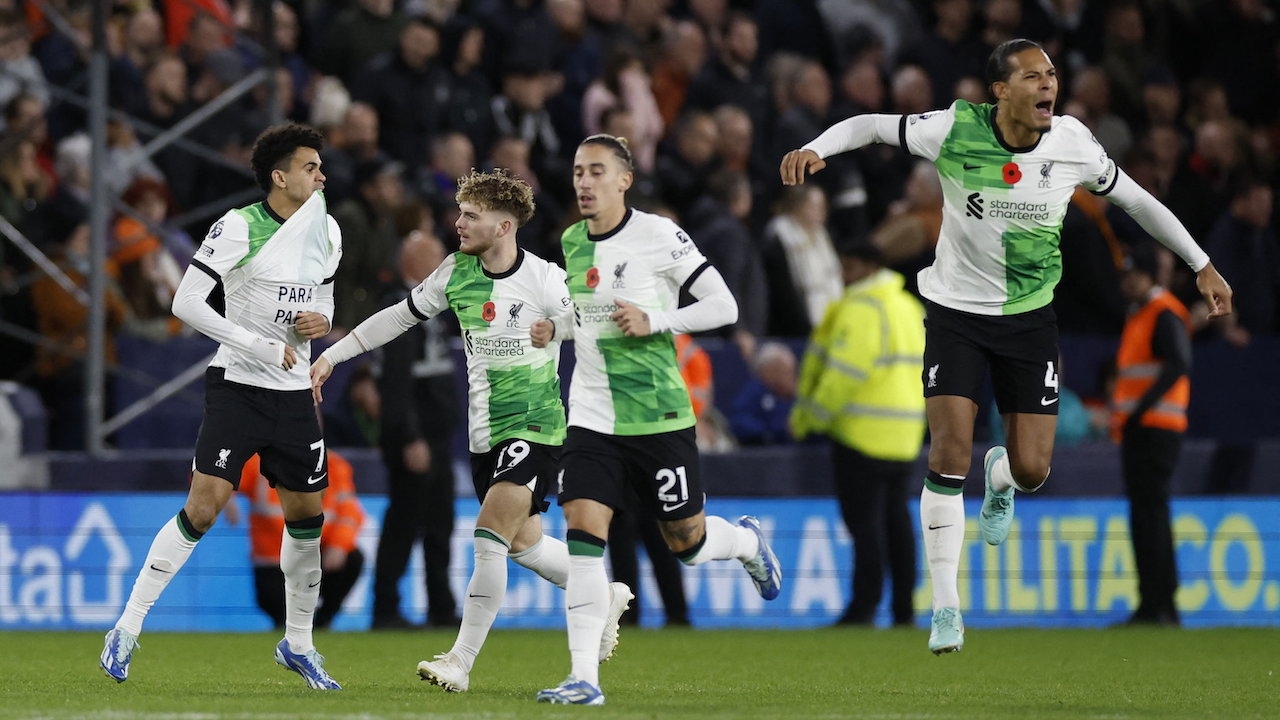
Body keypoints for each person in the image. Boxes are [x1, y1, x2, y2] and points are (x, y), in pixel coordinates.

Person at [780, 38, 1233, 655]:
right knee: (947, 453)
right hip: (955, 314)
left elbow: (1137, 202)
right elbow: (870, 125)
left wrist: (1201, 263)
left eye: (1051, 74)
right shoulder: (953, 128)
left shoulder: (1073, 144)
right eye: (1033, 76)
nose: (1048, 84)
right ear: (1000, 91)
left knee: (1031, 470)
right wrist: (816, 147)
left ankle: (1000, 475)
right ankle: (946, 607)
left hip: (1029, 321)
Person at [310, 169, 633, 693]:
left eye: (470, 215)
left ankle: (460, 661)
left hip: (535, 426)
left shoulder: (545, 279)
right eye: (459, 212)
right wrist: (334, 356)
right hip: (484, 435)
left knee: (489, 536)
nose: (457, 223)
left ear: (503, 227)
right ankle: (601, 591)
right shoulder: (456, 273)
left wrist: (566, 329)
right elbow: (397, 317)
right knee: (523, 544)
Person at [535, 134, 782, 706]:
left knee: (686, 542)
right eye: (578, 171)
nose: (584, 182)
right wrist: (558, 328)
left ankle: (746, 543)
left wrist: (657, 319)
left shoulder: (659, 235)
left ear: (625, 180)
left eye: (597, 171)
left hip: (658, 416)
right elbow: (589, 315)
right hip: (592, 416)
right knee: (582, 535)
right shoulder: (572, 241)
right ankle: (583, 678)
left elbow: (725, 306)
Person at [100, 123, 343, 689]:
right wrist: (257, 345)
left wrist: (322, 320)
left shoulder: (327, 229)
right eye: (310, 167)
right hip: (239, 387)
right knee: (204, 508)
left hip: (294, 394)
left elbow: (325, 297)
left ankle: (299, 644)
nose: (321, 176)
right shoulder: (239, 226)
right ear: (279, 177)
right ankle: (127, 628)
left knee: (307, 519)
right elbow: (185, 302)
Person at [790, 242, 925, 627]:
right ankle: (904, 609)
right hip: (905, 434)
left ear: (867, 267)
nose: (843, 277)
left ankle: (864, 607)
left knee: (866, 526)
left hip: (860, 434)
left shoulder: (861, 309)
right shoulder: (910, 308)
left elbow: (843, 376)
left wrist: (809, 419)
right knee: (898, 524)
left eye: (848, 268)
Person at [367, 230, 461, 630]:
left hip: (435, 435)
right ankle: (386, 608)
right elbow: (396, 382)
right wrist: (410, 437)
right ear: (414, 263)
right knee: (405, 521)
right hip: (414, 437)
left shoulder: (431, 306)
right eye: (436, 257)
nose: (444, 264)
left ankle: (441, 605)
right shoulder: (400, 308)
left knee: (440, 522)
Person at [1112, 243, 1192, 627]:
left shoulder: (1163, 313)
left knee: (1151, 515)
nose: (1128, 282)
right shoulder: (1141, 314)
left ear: (1149, 276)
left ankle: (1161, 604)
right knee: (1144, 515)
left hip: (1156, 430)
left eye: (1134, 275)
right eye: (1126, 276)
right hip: (1140, 429)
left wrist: (1140, 409)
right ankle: (1152, 603)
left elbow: (1179, 364)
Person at [236, 449, 366, 629]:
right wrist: (225, 500)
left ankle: (322, 623)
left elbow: (350, 513)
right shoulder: (258, 462)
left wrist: (339, 545)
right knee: (279, 609)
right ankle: (289, 625)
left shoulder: (335, 465)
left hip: (315, 553)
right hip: (274, 560)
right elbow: (221, 474)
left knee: (352, 558)